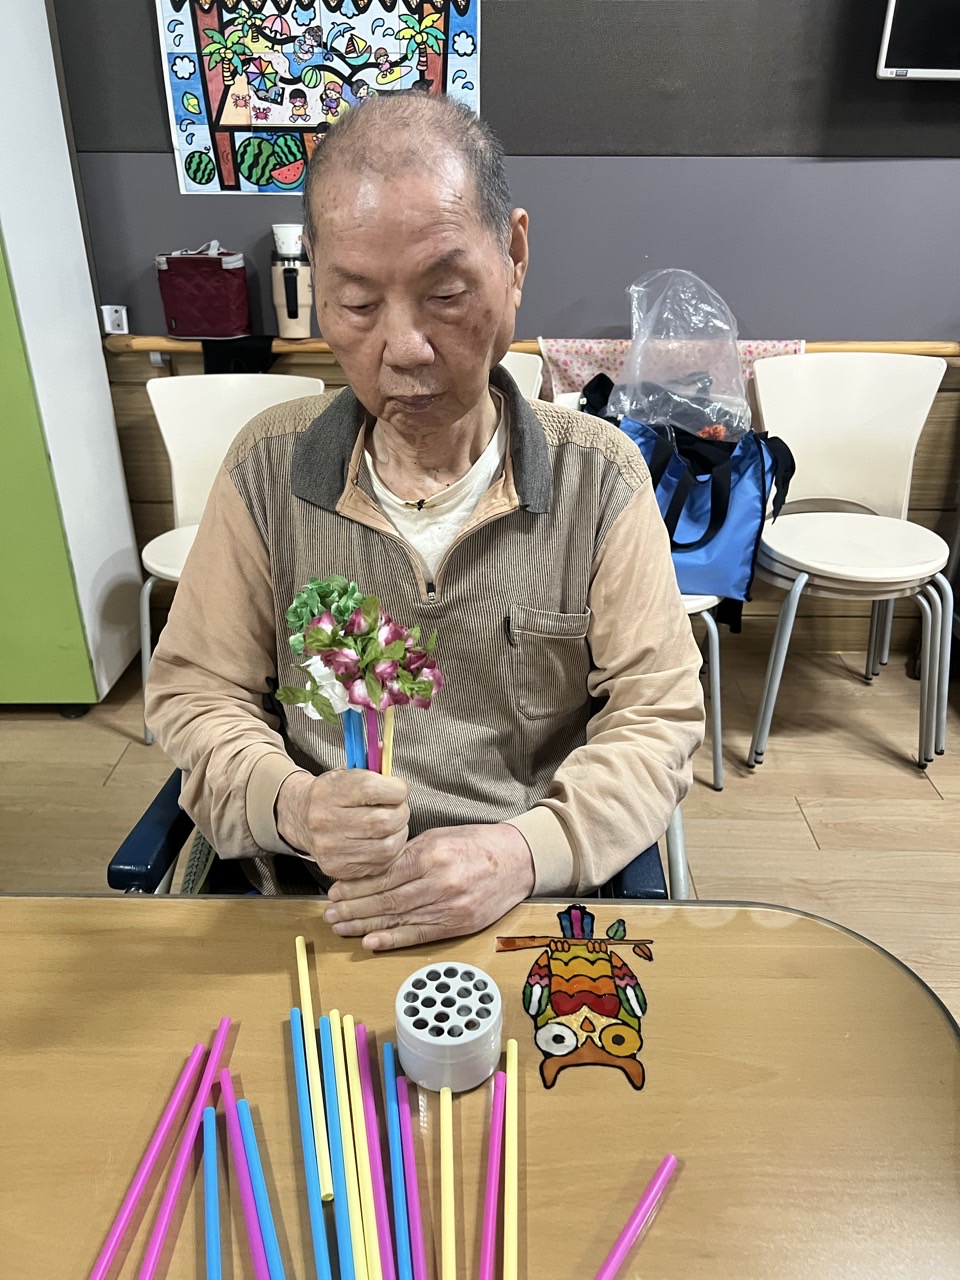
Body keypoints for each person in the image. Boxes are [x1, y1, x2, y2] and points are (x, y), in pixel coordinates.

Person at [146, 93, 705, 950]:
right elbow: (198, 694)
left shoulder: (599, 479)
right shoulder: (266, 469)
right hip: (314, 908)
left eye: (445, 293)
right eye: (357, 305)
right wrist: (291, 805)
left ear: (514, 258)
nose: (404, 348)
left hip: (522, 910)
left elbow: (656, 718)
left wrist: (523, 853)